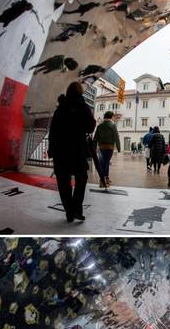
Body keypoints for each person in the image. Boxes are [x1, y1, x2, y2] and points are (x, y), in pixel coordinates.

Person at [48, 82, 95, 223]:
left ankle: (69, 211)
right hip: (77, 148)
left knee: (63, 182)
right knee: (82, 178)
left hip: (60, 150)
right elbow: (91, 127)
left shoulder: (60, 107)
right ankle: (76, 208)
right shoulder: (83, 106)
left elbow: (53, 130)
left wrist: (51, 149)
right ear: (80, 91)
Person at [92, 111, 120, 188]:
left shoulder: (99, 126)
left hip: (101, 147)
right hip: (109, 147)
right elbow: (116, 137)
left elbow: (95, 138)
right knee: (106, 162)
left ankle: (105, 179)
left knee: (102, 163)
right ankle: (103, 181)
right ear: (111, 117)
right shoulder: (113, 125)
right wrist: (118, 147)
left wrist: (93, 149)